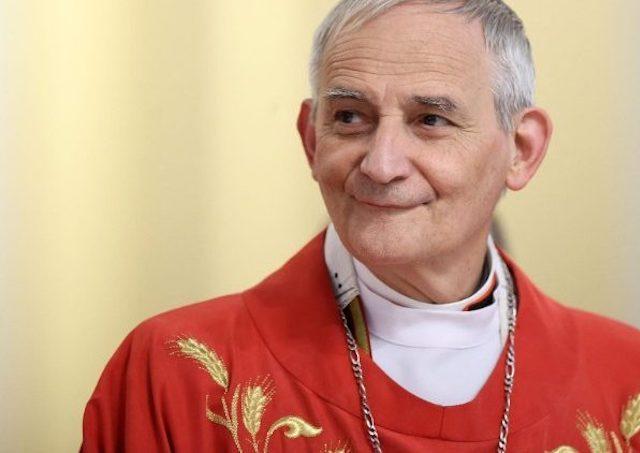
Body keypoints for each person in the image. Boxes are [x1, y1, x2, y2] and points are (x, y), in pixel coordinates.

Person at [81, 1, 640, 452]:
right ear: (311, 139)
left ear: (521, 150)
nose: (381, 164)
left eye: (431, 120)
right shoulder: (179, 373)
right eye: (350, 117)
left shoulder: (626, 381)